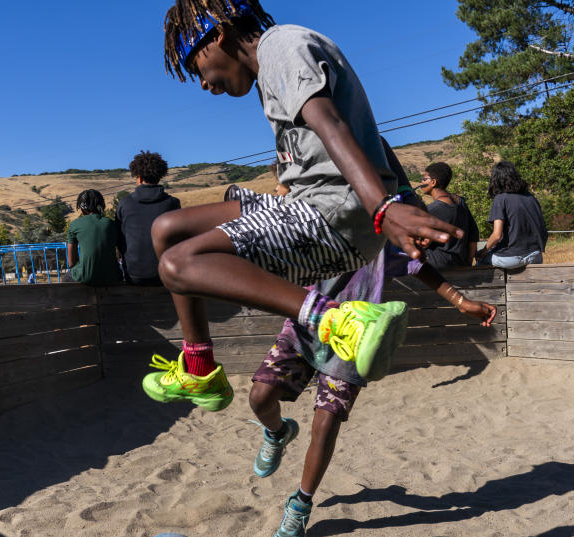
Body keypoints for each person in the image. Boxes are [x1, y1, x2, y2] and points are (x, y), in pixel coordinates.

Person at [142, 0, 464, 413]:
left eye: (196, 64)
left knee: (177, 264)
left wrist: (382, 207)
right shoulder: (268, 71)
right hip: (310, 204)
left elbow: (330, 123)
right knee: (167, 230)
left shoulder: (282, 47)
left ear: (219, 34)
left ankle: (335, 320)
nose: (202, 83)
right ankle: (200, 370)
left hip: (333, 216)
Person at [241, 138, 497, 537]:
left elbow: (418, 266)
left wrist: (460, 300)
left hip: (359, 334)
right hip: (310, 318)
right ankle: (276, 432)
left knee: (326, 421)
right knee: (259, 395)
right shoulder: (310, 210)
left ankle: (300, 506)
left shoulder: (383, 218)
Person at [116, 151, 181, 286]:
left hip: (134, 275)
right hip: (165, 275)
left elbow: (119, 240)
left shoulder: (124, 204)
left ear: (139, 178)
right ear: (159, 176)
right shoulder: (172, 203)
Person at [475, 161, 548, 269]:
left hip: (511, 258)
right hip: (535, 255)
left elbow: (496, 235)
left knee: (481, 261)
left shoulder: (500, 199)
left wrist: (482, 252)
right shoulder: (531, 198)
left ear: (496, 179)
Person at [419, 162, 479, 268]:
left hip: (438, 264)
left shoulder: (432, 209)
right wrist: (469, 261)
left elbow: (421, 242)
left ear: (433, 182)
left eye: (424, 179)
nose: (421, 182)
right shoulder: (461, 202)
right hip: (460, 262)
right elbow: (474, 234)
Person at [65, 189, 123, 286]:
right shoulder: (112, 224)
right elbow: (119, 253)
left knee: (66, 278)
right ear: (101, 205)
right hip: (112, 276)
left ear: (81, 208)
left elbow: (71, 263)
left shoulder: (74, 225)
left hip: (85, 276)